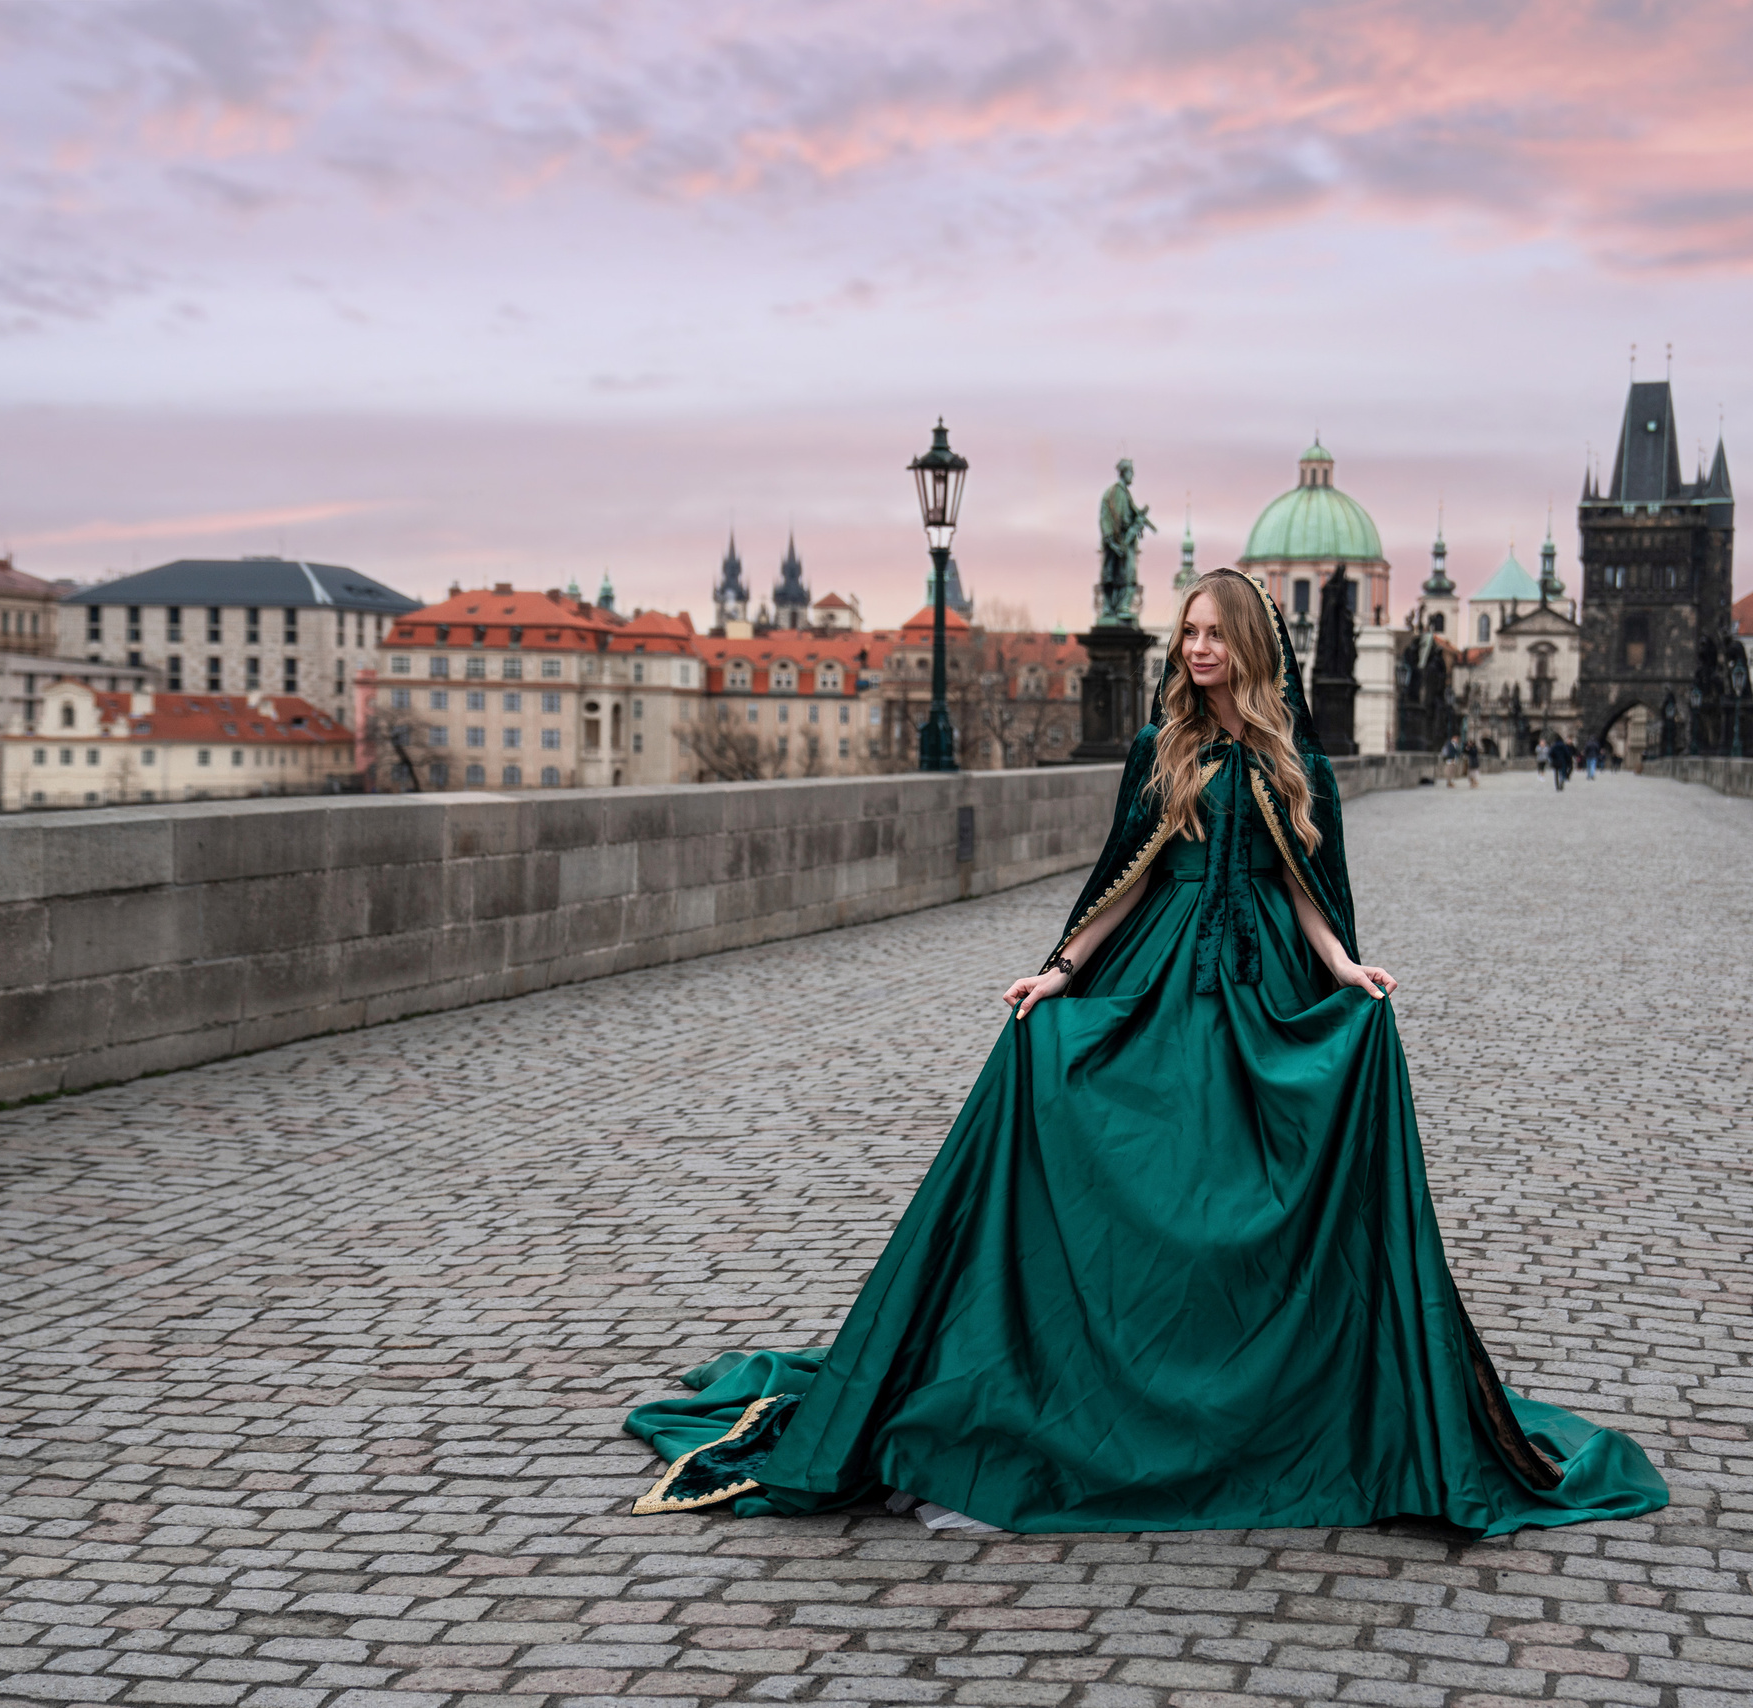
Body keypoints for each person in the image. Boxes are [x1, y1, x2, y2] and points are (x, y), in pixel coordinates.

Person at [623, 568, 1667, 1537]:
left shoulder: (1292, 761)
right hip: (1154, 979)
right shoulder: (1159, 749)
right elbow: (1122, 873)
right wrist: (1061, 971)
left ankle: (1242, 1388)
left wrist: (1346, 970)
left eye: (1214, 635)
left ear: (1251, 647)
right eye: (1188, 634)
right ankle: (1079, 1382)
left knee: (1239, 1189)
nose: (1195, 649)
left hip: (1262, 988)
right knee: (1101, 1137)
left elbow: (1309, 887)